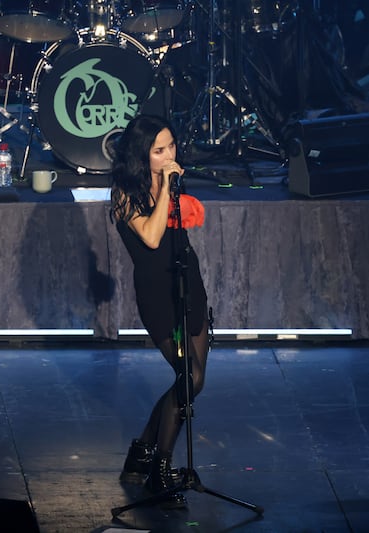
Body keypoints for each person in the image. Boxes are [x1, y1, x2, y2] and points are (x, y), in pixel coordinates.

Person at [110, 114, 210, 509]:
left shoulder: (172, 181)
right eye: (159, 150)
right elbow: (151, 238)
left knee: (194, 382)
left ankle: (142, 453)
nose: (169, 155)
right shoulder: (124, 191)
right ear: (141, 154)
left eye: (171, 146)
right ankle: (160, 470)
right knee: (189, 378)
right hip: (157, 293)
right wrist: (167, 187)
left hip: (188, 283)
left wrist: (174, 189)